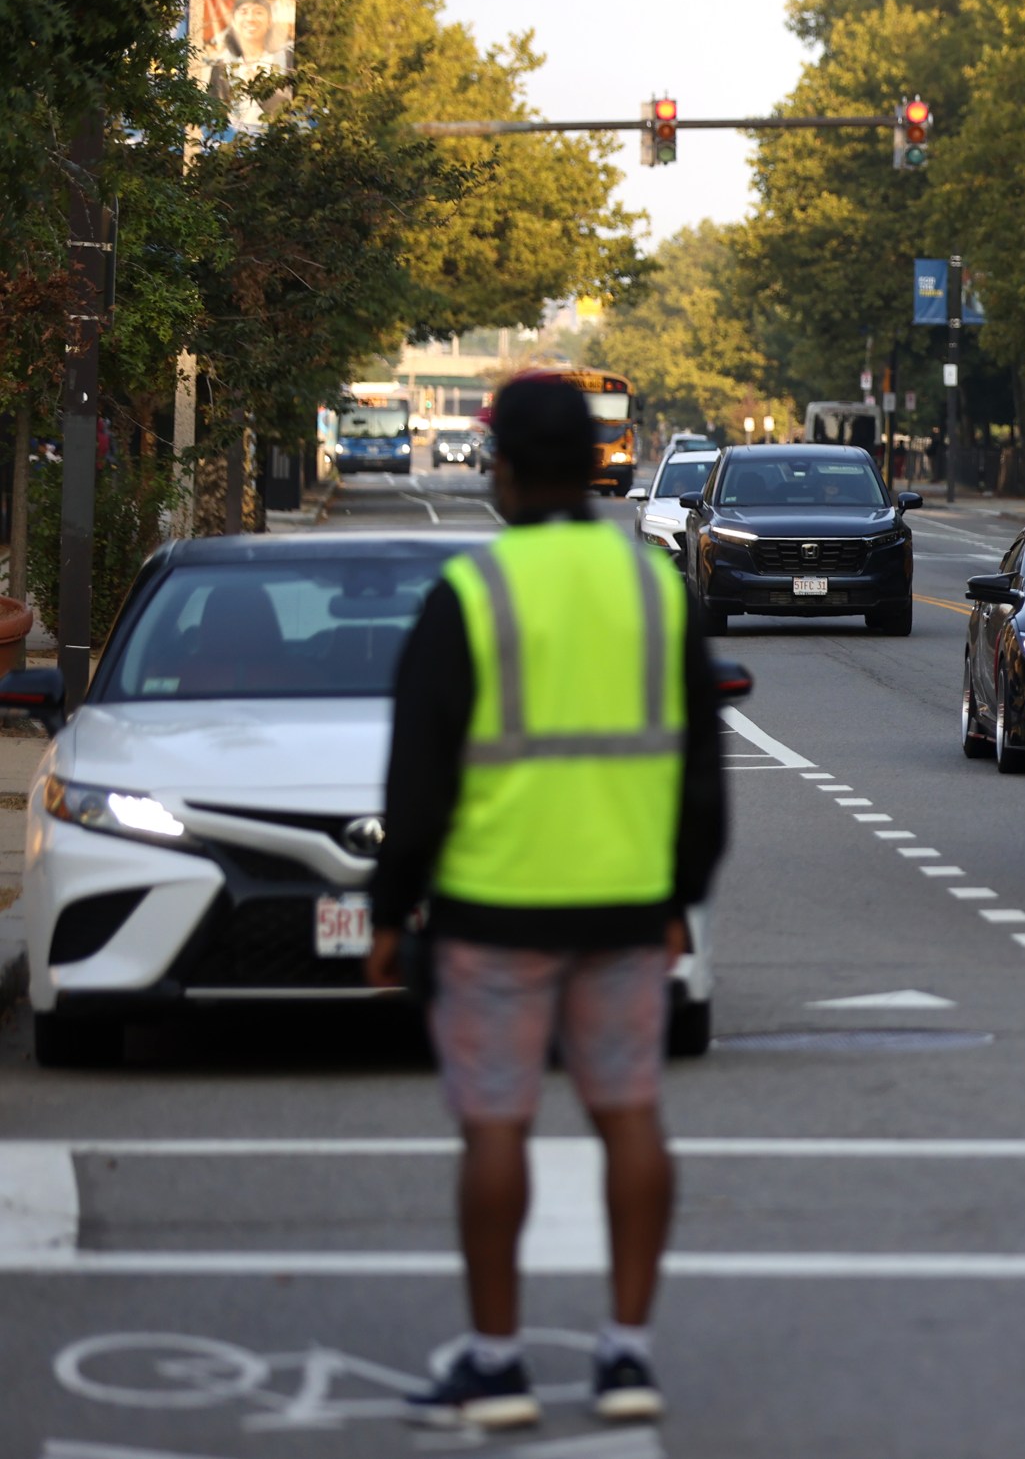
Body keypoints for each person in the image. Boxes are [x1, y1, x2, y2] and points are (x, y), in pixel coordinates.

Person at [367, 372, 726, 1432]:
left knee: (495, 1127)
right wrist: (679, 898)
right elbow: (703, 771)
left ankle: (497, 1361)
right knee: (630, 1117)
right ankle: (626, 1356)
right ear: (594, 464)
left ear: (506, 469)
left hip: (493, 908)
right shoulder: (654, 590)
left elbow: (417, 778)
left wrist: (393, 911)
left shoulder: (470, 595)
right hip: (624, 905)